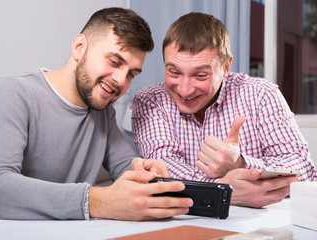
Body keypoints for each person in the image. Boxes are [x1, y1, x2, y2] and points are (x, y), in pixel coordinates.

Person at [0, 8, 193, 239]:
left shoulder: (103, 114)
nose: (121, 80)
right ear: (80, 47)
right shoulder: (12, 93)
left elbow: (128, 168)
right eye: (114, 61)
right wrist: (97, 201)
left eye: (132, 73)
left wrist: (146, 175)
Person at [132, 12, 317, 209]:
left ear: (226, 66)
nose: (184, 90)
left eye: (200, 75)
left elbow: (304, 170)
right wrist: (224, 189)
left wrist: (239, 163)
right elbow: (163, 172)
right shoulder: (149, 101)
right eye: (174, 72)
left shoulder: (261, 94)